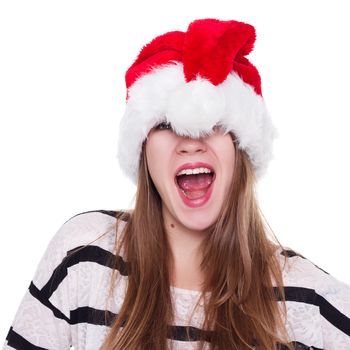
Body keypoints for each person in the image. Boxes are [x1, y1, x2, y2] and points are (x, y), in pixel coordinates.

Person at [2, 18, 350, 350]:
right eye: (166, 124)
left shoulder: (309, 298)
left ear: (240, 149)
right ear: (143, 151)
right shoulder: (84, 254)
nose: (190, 142)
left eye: (213, 123)